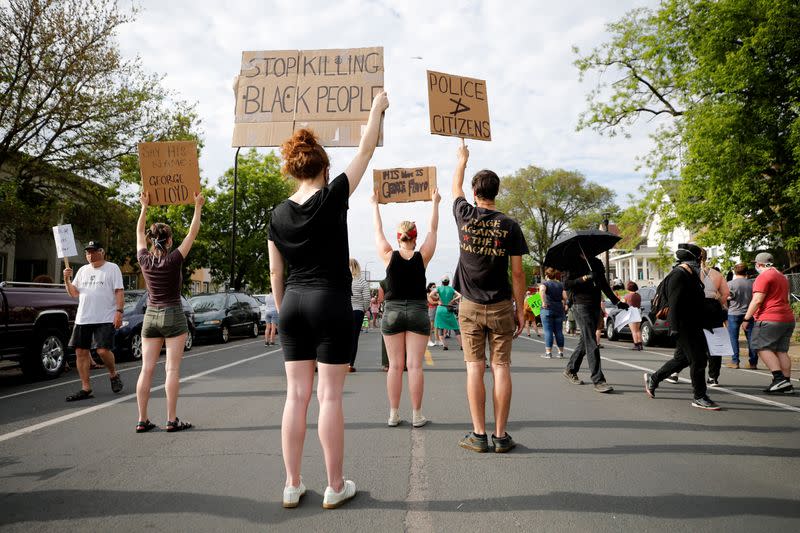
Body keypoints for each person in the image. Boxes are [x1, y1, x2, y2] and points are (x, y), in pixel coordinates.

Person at [267, 91, 388, 509]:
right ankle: (335, 486)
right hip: (330, 301)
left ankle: (291, 483)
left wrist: (284, 311)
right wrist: (376, 108)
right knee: (329, 398)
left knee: (295, 396)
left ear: (293, 170)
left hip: (293, 305)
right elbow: (367, 148)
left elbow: (275, 273)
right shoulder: (334, 195)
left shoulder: (276, 213)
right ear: (324, 166)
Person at [451, 142, 529, 454]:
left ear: (475, 193)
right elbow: (519, 274)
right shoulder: (510, 225)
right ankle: (500, 435)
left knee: (474, 368)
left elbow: (454, 185)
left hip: (469, 305)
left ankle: (478, 434)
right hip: (500, 306)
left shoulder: (465, 215)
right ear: (497, 193)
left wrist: (462, 159)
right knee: (501, 368)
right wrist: (520, 309)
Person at [371, 187, 440, 428]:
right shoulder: (423, 256)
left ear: (398, 236)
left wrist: (374, 204)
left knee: (395, 366)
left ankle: (393, 414)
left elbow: (378, 231)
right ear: (414, 236)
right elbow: (434, 230)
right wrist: (435, 202)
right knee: (414, 366)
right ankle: (417, 414)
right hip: (419, 311)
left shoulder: (389, 256)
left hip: (393, 311)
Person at [135, 190, 204, 433]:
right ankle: (171, 419)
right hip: (173, 313)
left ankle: (142, 419)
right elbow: (192, 232)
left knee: (146, 369)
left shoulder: (143, 259)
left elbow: (138, 233)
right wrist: (197, 206)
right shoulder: (174, 259)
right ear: (170, 241)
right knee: (171, 369)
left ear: (150, 239)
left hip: (150, 316)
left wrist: (144, 207)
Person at [644, 244, 720, 410]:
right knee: (699, 359)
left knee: (683, 359)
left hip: (695, 323)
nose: (702, 260)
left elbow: (696, 301)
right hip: (684, 325)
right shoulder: (679, 274)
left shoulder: (691, 273)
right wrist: (675, 327)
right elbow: (675, 303)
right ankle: (699, 396)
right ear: (693, 258)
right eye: (699, 257)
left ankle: (654, 378)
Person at [62, 241, 125, 401]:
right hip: (84, 317)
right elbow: (74, 293)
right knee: (81, 352)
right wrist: (67, 280)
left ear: (101, 251)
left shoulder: (112, 268)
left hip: (105, 317)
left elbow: (119, 291)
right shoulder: (83, 270)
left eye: (93, 251)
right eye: (87, 252)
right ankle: (85, 387)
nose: (89, 254)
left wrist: (119, 312)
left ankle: (113, 374)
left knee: (102, 350)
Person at [562, 254, 628, 393]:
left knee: (585, 340)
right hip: (580, 304)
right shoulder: (571, 263)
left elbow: (603, 284)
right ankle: (598, 380)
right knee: (592, 342)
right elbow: (567, 284)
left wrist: (617, 302)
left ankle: (570, 369)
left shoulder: (596, 262)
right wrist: (585, 278)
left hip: (594, 304)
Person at [742, 253, 795, 394]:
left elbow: (758, 299)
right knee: (781, 351)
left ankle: (778, 379)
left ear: (759, 264)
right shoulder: (782, 276)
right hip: (787, 317)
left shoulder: (763, 277)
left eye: (756, 264)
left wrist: (747, 318)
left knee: (761, 347)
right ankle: (786, 383)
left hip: (769, 318)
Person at [726, 263, 757, 369]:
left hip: (733, 313)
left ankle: (735, 361)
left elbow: (726, 298)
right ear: (746, 272)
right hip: (749, 314)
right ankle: (753, 362)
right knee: (751, 338)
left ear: (735, 272)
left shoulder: (730, 284)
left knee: (733, 338)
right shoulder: (753, 284)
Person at [348, 259, 370, 372]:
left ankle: (340, 363)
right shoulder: (362, 281)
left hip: (343, 311)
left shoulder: (343, 280)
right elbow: (367, 298)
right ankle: (350, 364)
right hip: (357, 312)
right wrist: (364, 309)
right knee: (354, 339)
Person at [539, 268, 567, 358]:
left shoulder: (545, 283)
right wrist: (564, 303)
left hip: (547, 309)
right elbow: (565, 296)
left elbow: (542, 290)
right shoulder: (560, 284)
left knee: (548, 331)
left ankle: (548, 353)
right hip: (558, 309)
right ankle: (561, 352)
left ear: (547, 275)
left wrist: (543, 302)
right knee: (559, 331)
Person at [434, 277, 461, 350]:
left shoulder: (439, 288)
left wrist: (437, 299)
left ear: (442, 282)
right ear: (448, 282)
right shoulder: (451, 289)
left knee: (440, 328)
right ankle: (462, 345)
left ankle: (445, 345)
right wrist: (453, 300)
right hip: (448, 308)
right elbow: (459, 295)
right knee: (456, 328)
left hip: (440, 308)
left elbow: (430, 295)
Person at [625, 281, 643, 350]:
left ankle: (636, 345)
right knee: (638, 330)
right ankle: (640, 344)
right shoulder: (638, 295)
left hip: (631, 313)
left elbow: (624, 303)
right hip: (638, 312)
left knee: (633, 331)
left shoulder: (627, 296)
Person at [426, 283, 439, 347]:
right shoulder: (428, 294)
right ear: (430, 288)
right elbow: (431, 302)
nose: (435, 288)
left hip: (437, 309)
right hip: (431, 310)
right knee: (431, 326)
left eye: (435, 287)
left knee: (436, 326)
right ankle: (429, 340)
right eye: (433, 287)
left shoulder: (436, 294)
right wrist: (438, 302)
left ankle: (437, 340)